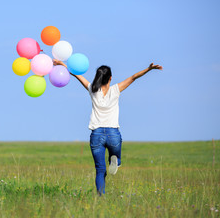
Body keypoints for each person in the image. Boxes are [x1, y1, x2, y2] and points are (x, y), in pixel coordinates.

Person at [53, 59, 163, 195]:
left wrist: (62, 64)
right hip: (113, 134)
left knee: (100, 169)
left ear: (98, 77)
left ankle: (101, 196)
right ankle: (116, 159)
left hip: (96, 134)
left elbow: (76, 75)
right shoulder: (116, 90)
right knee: (115, 155)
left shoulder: (92, 89)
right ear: (110, 77)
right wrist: (148, 69)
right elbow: (134, 77)